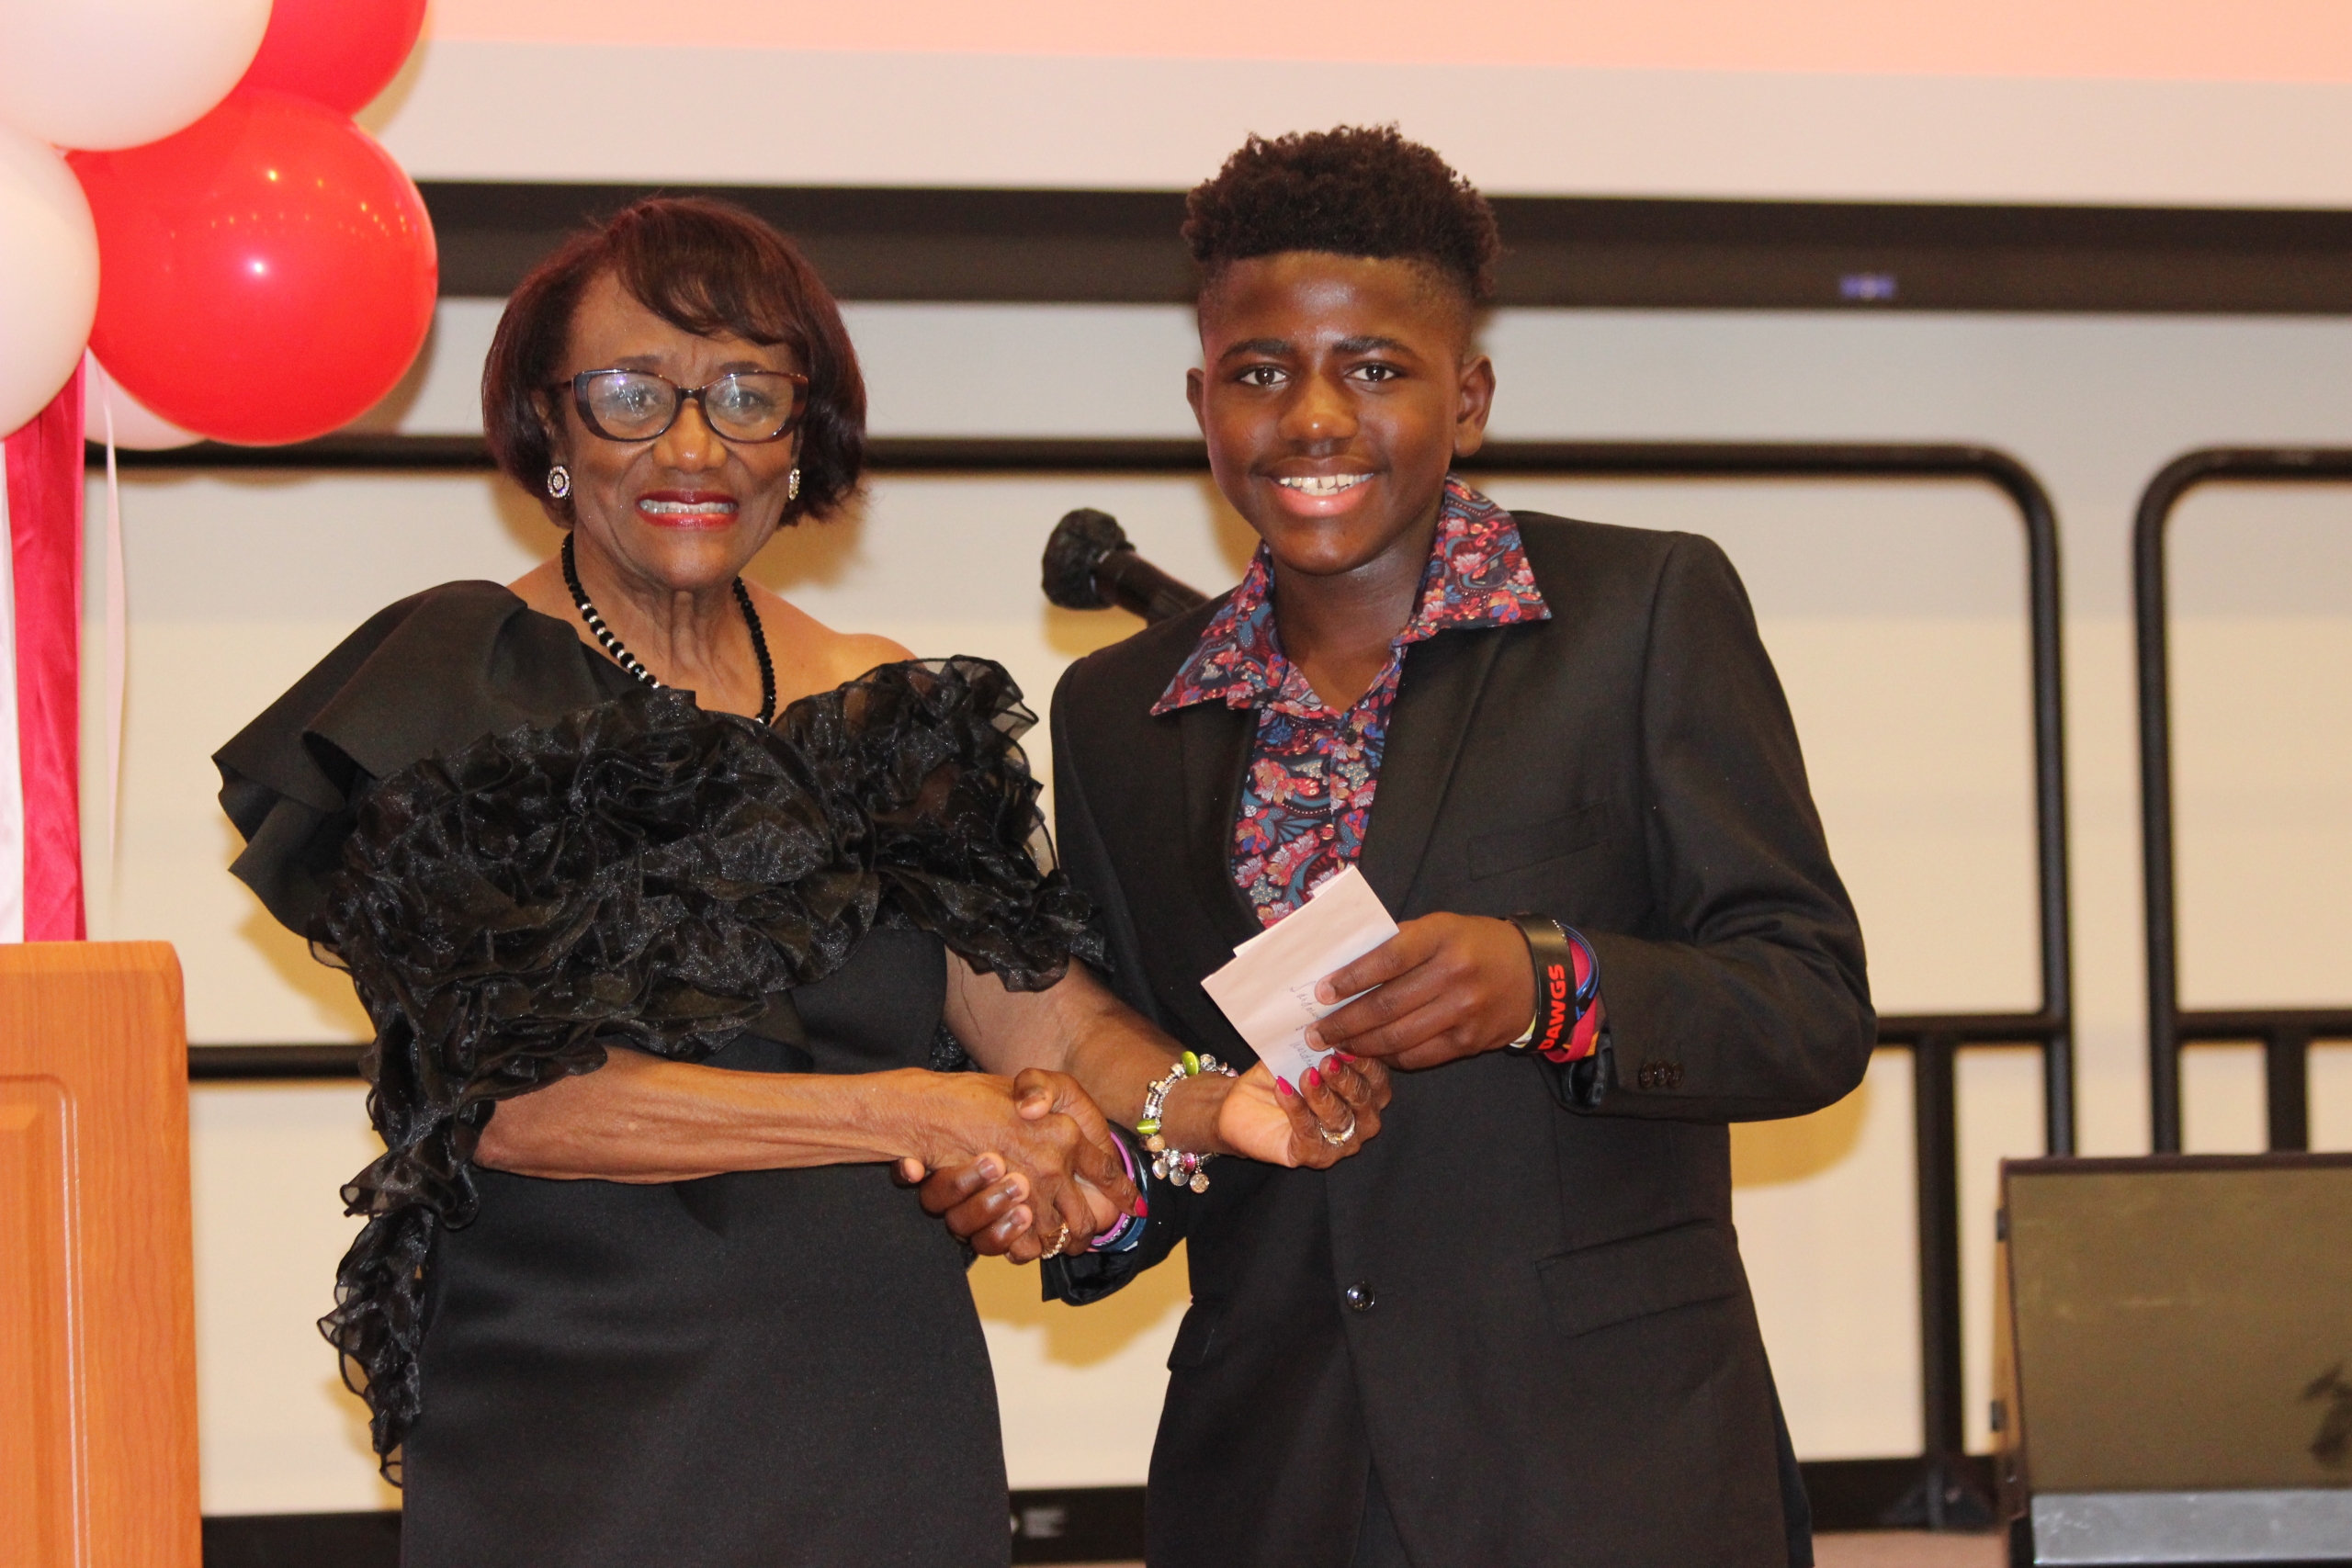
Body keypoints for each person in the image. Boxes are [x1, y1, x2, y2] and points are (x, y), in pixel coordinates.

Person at [214, 197, 1389, 1568]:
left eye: (746, 395)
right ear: (549, 429)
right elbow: (517, 1106)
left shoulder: (881, 702)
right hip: (586, 1435)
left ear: (799, 436)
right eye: (632, 395)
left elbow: (1047, 1022)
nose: (693, 445)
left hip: (879, 1413)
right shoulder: (453, 685)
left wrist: (1233, 1111)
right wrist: (910, 1109)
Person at [937, 129, 1874, 1566]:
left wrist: (1548, 984)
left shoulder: (1640, 613)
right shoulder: (1119, 712)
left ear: (1469, 396)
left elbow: (1808, 1007)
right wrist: (1074, 1189)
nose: (1315, 416)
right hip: (1275, 1475)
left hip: (1608, 1471)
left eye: (1375, 368)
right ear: (1202, 403)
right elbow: (1154, 1081)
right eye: (1261, 373)